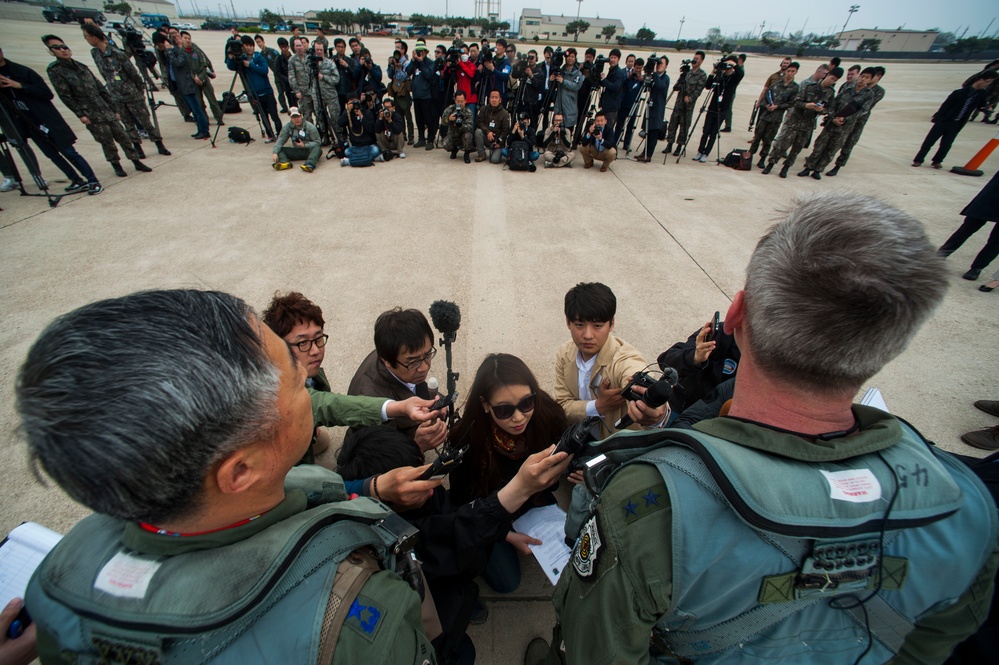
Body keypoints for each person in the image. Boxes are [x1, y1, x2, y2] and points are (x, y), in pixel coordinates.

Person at [529, 194, 999, 665]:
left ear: (735, 315)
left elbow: (594, 648)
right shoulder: (962, 504)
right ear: (891, 342)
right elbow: (928, 647)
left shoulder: (648, 500)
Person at [17, 290, 440, 664]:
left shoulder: (57, 583)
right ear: (241, 471)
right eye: (298, 387)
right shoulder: (355, 624)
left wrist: (372, 487)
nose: (313, 396)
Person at [337, 423, 571, 664]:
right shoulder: (394, 545)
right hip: (436, 622)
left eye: (420, 472)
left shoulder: (422, 495)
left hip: (460, 578)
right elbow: (452, 531)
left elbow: (454, 515)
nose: (428, 488)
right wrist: (519, 489)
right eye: (410, 487)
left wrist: (503, 533)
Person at [261, 291, 440, 467]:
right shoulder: (278, 393)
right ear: (278, 346)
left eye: (318, 339)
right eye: (303, 343)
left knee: (320, 440)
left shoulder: (307, 371)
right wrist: (416, 445)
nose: (315, 350)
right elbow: (328, 405)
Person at [448, 354, 569, 595]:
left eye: (526, 403)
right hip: (490, 511)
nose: (518, 417)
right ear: (484, 404)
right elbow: (463, 502)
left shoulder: (546, 414)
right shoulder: (466, 439)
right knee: (507, 583)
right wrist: (504, 533)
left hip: (534, 501)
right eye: (504, 409)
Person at [554, 282, 667, 440]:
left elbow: (636, 373)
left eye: (597, 326)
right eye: (579, 325)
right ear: (568, 322)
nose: (587, 335)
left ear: (611, 324)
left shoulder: (623, 359)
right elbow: (561, 406)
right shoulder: (565, 353)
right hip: (579, 438)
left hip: (617, 449)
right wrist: (599, 406)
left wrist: (657, 412)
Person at [44, 35, 154, 174]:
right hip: (90, 112)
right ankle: (116, 165)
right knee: (107, 141)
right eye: (57, 48)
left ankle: (136, 161)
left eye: (64, 47)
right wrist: (81, 114)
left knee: (123, 137)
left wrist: (113, 108)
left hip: (104, 108)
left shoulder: (81, 67)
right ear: (51, 51)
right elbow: (65, 96)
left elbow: (100, 88)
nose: (63, 50)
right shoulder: (56, 70)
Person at [0, 47, 102, 195]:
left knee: (69, 152)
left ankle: (92, 180)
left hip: (46, 120)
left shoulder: (22, 71)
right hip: (28, 124)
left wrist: (20, 85)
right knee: (52, 155)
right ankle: (76, 180)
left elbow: (46, 94)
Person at [347, 307, 448, 452]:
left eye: (427, 355)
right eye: (413, 362)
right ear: (387, 360)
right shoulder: (369, 401)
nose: (424, 367)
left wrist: (436, 402)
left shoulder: (396, 354)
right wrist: (416, 446)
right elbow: (379, 463)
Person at [81, 23, 170, 158]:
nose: (86, 39)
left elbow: (134, 74)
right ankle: (138, 148)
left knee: (145, 122)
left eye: (87, 37)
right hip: (116, 96)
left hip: (132, 94)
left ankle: (159, 144)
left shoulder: (117, 54)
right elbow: (105, 75)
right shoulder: (95, 54)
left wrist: (139, 91)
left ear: (94, 37)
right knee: (128, 125)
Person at [764, 66, 842, 178]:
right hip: (795, 121)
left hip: (808, 125)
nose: (832, 81)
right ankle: (771, 164)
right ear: (827, 75)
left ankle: (786, 168)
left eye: (835, 80)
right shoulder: (808, 86)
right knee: (782, 145)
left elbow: (829, 109)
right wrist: (806, 105)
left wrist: (822, 110)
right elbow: (795, 101)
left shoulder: (830, 93)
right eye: (831, 78)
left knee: (796, 149)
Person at [799, 67, 875, 179]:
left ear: (870, 80)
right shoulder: (847, 88)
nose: (863, 79)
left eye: (867, 78)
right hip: (831, 124)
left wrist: (846, 119)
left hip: (845, 128)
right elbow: (833, 104)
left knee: (831, 150)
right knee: (819, 146)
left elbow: (863, 111)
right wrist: (832, 117)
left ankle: (818, 170)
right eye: (862, 76)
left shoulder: (868, 94)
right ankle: (808, 168)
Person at [913, 71, 998, 169]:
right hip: (945, 120)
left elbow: (981, 106)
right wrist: (938, 118)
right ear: (980, 79)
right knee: (929, 141)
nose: (987, 84)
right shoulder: (959, 92)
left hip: (958, 123)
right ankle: (918, 159)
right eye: (986, 82)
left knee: (947, 143)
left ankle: (937, 161)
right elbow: (945, 106)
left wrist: (987, 109)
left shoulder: (982, 94)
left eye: (989, 83)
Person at [658, 319, 740, 414]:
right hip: (678, 406)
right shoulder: (720, 333)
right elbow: (666, 361)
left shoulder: (759, 362)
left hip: (710, 421)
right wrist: (695, 357)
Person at [938, 169, 999, 281]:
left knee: (997, 240)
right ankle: (941, 254)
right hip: (994, 193)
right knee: (968, 227)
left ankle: (977, 267)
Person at [829, 65, 887, 175]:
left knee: (849, 143)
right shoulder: (851, 86)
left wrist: (847, 117)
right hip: (841, 117)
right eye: (863, 76)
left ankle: (838, 165)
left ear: (878, 76)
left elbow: (863, 108)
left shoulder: (877, 92)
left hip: (858, 121)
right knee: (834, 141)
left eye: (869, 76)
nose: (864, 79)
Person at [152, 31, 210, 139]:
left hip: (187, 84)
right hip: (180, 86)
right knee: (193, 110)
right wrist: (162, 52)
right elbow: (165, 63)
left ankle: (204, 130)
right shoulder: (169, 53)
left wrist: (169, 50)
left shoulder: (178, 51)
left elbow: (178, 63)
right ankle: (200, 129)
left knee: (197, 109)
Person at [225, 35, 280, 143]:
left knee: (274, 115)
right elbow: (231, 67)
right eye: (247, 45)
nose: (249, 48)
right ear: (243, 47)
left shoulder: (258, 57)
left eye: (251, 45)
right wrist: (231, 57)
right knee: (264, 116)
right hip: (255, 94)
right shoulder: (241, 59)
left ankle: (280, 134)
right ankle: (270, 135)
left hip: (267, 91)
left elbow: (264, 70)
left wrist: (250, 65)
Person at [749, 60, 798, 168]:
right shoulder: (776, 84)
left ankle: (762, 159)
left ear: (796, 72)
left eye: (792, 71)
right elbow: (767, 95)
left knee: (768, 139)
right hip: (765, 115)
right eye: (788, 71)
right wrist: (766, 105)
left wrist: (777, 107)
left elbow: (791, 103)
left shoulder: (794, 88)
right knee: (757, 136)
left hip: (776, 118)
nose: (789, 73)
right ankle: (749, 156)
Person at [692, 56, 740, 163]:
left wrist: (733, 64)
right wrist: (714, 71)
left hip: (722, 109)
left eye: (729, 66)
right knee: (705, 131)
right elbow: (708, 86)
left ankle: (706, 153)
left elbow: (741, 73)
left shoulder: (734, 78)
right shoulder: (720, 76)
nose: (727, 67)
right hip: (712, 107)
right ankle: (700, 151)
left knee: (713, 133)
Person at [665, 50, 708, 155]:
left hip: (688, 106)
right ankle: (669, 144)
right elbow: (676, 87)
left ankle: (679, 146)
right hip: (678, 103)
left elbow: (699, 90)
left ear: (702, 61)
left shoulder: (702, 75)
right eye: (694, 58)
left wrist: (690, 98)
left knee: (684, 126)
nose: (694, 60)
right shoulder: (687, 72)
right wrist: (680, 79)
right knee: (673, 124)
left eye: (697, 59)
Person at [180, 31, 224, 127]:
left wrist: (202, 75)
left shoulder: (196, 50)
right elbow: (184, 68)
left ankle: (219, 117)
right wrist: (194, 77)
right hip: (192, 81)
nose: (187, 40)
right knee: (199, 102)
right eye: (185, 38)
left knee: (212, 100)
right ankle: (205, 120)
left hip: (203, 77)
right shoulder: (180, 53)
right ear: (181, 39)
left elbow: (203, 62)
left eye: (189, 38)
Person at [635, 57, 670, 163]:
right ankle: (644, 152)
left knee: (653, 133)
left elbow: (660, 86)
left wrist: (654, 73)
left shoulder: (665, 78)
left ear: (666, 66)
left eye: (661, 63)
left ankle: (648, 155)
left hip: (658, 108)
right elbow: (646, 88)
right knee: (648, 131)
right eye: (658, 63)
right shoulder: (654, 76)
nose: (659, 65)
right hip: (650, 107)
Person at [407, 44, 439, 150]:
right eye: (417, 51)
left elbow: (428, 74)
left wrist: (421, 62)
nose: (419, 53)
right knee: (419, 119)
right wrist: (413, 60)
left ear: (425, 52)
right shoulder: (415, 63)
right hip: (416, 96)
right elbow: (407, 71)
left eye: (421, 51)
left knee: (429, 119)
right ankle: (421, 138)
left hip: (427, 97)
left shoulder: (430, 63)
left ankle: (430, 140)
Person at [270, 107, 320, 172]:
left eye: (298, 117)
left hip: (308, 150)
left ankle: (309, 164)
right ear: (290, 118)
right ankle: (284, 163)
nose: (296, 119)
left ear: (301, 116)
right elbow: (281, 140)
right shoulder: (287, 127)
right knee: (280, 149)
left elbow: (318, 142)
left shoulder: (310, 126)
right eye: (293, 117)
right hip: (296, 150)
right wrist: (275, 152)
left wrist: (304, 145)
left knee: (317, 149)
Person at [338, 94, 379, 166]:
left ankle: (350, 161)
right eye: (351, 103)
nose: (354, 104)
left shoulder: (366, 112)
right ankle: (370, 158)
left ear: (359, 101)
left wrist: (361, 116)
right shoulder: (348, 114)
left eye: (355, 102)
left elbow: (371, 129)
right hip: (355, 146)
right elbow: (340, 123)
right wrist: (347, 111)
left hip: (367, 145)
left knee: (376, 150)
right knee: (347, 152)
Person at [311, 41, 341, 139]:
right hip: (317, 95)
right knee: (320, 117)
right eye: (317, 50)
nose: (319, 52)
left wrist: (323, 77)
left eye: (321, 50)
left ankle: (339, 137)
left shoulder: (329, 63)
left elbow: (336, 79)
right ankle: (325, 136)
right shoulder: (310, 63)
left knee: (335, 117)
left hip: (330, 94)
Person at [551, 48, 584, 131]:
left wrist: (563, 81)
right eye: (568, 56)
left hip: (570, 107)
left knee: (568, 132)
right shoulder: (560, 71)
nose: (570, 58)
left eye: (572, 56)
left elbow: (576, 86)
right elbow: (551, 87)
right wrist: (550, 80)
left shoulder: (577, 73)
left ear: (575, 58)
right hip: (559, 106)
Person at [474, 89, 510, 163]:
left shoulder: (505, 113)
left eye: (496, 98)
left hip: (498, 140)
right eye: (492, 97)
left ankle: (496, 151)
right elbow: (479, 122)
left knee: (494, 160)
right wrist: (487, 132)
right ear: (489, 99)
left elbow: (505, 131)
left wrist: (499, 143)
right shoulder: (484, 109)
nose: (494, 100)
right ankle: (481, 154)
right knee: (478, 132)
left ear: (500, 100)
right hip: (487, 137)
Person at [387, 50, 415, 144]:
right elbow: (390, 75)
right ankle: (403, 135)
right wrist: (391, 65)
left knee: (408, 117)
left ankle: (411, 136)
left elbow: (405, 76)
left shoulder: (406, 63)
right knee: (399, 116)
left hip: (404, 94)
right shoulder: (394, 63)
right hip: (396, 93)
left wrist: (399, 68)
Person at [256, 34, 289, 113]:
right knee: (280, 93)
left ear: (263, 42)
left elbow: (281, 61)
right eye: (257, 42)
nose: (259, 44)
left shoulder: (272, 51)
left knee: (288, 91)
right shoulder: (261, 55)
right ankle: (284, 107)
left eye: (259, 42)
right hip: (276, 75)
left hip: (282, 74)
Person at [596, 49, 626, 130]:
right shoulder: (611, 70)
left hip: (612, 107)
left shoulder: (619, 72)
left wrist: (604, 80)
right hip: (606, 105)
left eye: (615, 58)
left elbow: (616, 87)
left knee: (608, 128)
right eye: (611, 57)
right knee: (603, 127)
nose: (612, 60)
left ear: (618, 59)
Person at [287, 37, 314, 125]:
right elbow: (291, 77)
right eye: (297, 45)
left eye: (301, 45)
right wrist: (297, 91)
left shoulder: (310, 57)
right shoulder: (292, 60)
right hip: (303, 93)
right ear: (294, 47)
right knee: (307, 115)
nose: (299, 47)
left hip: (313, 91)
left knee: (319, 114)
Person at [442, 90, 474, 163]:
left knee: (468, 136)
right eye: (458, 101)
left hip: (463, 135)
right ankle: (454, 150)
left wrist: (460, 125)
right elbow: (443, 122)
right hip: (453, 135)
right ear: (455, 100)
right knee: (446, 144)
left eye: (461, 101)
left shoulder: (468, 112)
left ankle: (466, 153)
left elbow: (470, 127)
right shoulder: (450, 109)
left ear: (465, 101)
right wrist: (449, 119)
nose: (459, 103)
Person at [720, 53, 746, 132]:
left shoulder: (739, 69)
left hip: (730, 92)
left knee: (728, 108)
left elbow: (739, 74)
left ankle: (728, 125)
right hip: (724, 91)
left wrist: (734, 64)